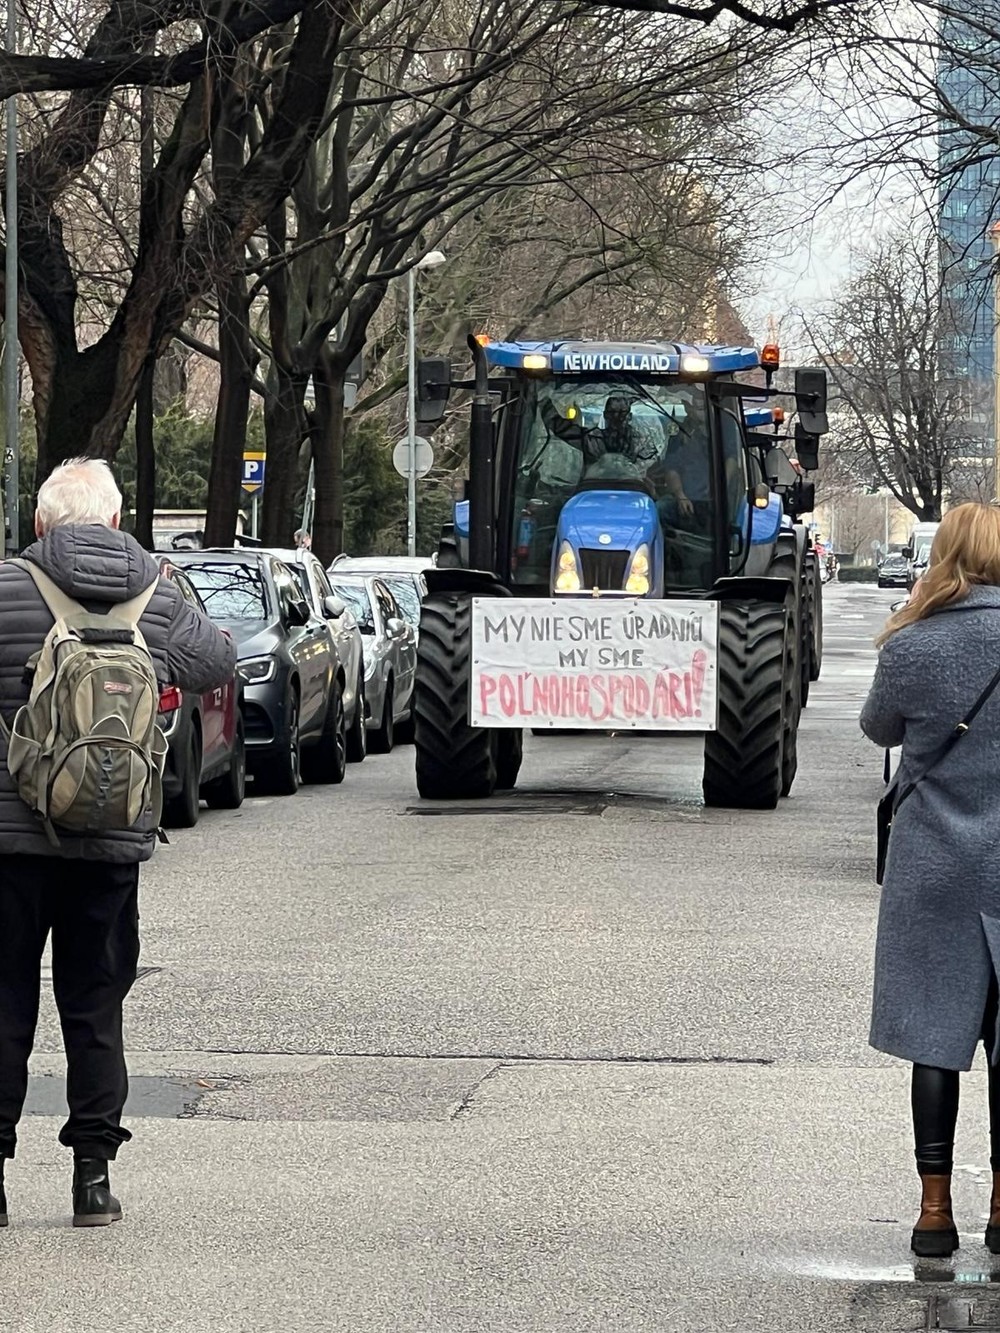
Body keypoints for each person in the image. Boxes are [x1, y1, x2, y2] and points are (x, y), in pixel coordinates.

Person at [0, 458, 235, 1228]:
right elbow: (217, 661)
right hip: (110, 839)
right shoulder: (154, 593)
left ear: (40, 522)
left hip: (13, 841)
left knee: (4, 1002)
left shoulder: (7, 586)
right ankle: (93, 1180)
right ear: (115, 520)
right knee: (95, 1006)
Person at [860, 503, 1000, 1258]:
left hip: (934, 866)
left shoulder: (914, 642)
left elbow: (878, 729)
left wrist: (910, 621)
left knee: (934, 1040)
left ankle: (935, 1211)